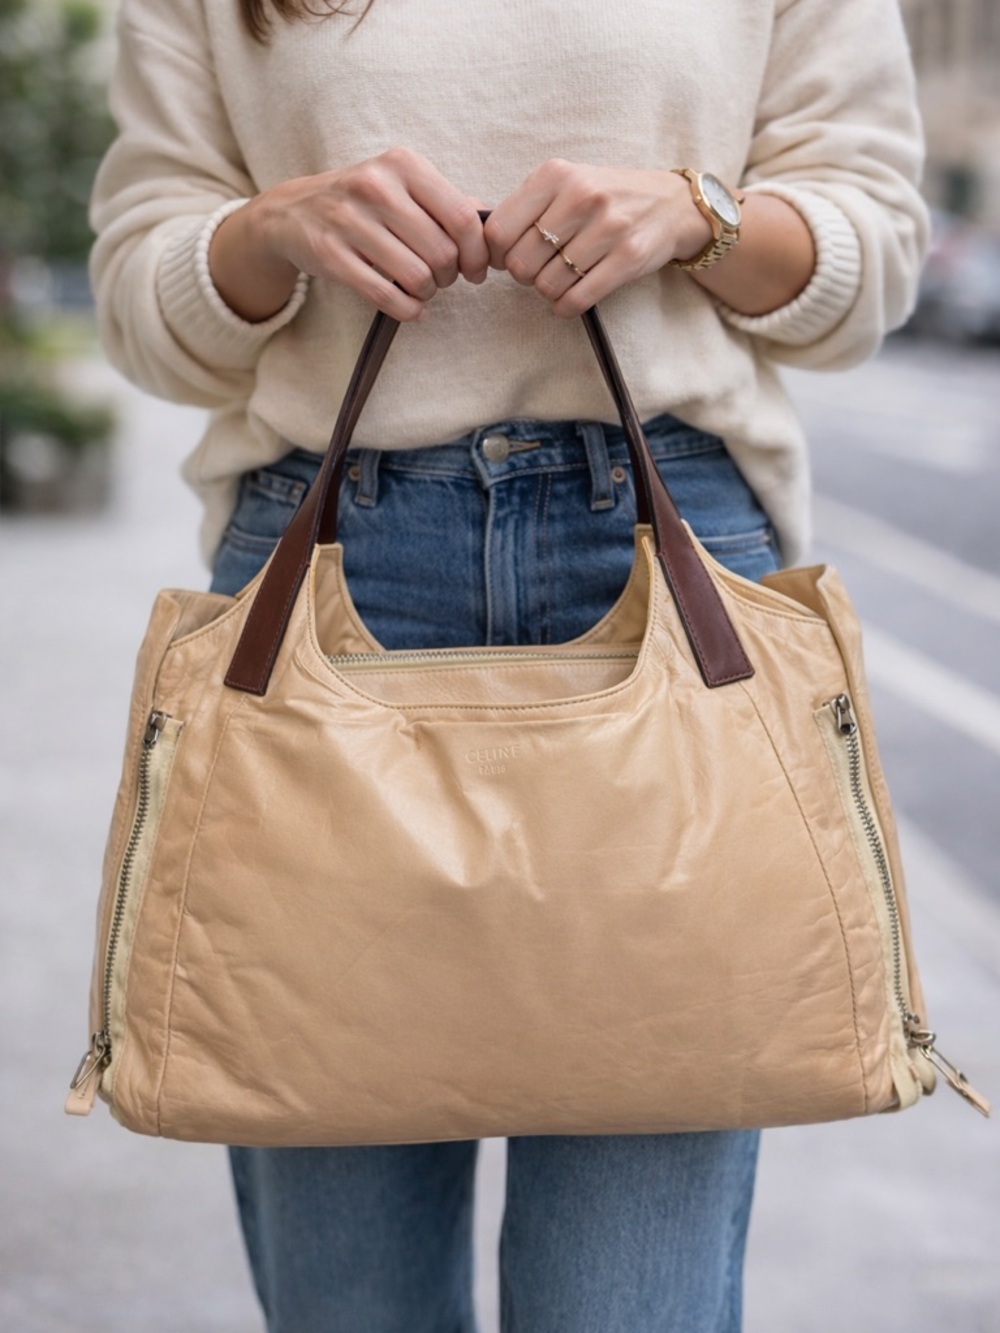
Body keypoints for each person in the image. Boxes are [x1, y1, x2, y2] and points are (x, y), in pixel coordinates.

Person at [89, 0, 928, 1328]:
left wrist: (697, 214)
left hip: (664, 557)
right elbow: (146, 307)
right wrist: (271, 232)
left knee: (628, 1303)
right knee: (346, 1299)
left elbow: (873, 264)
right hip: (326, 572)